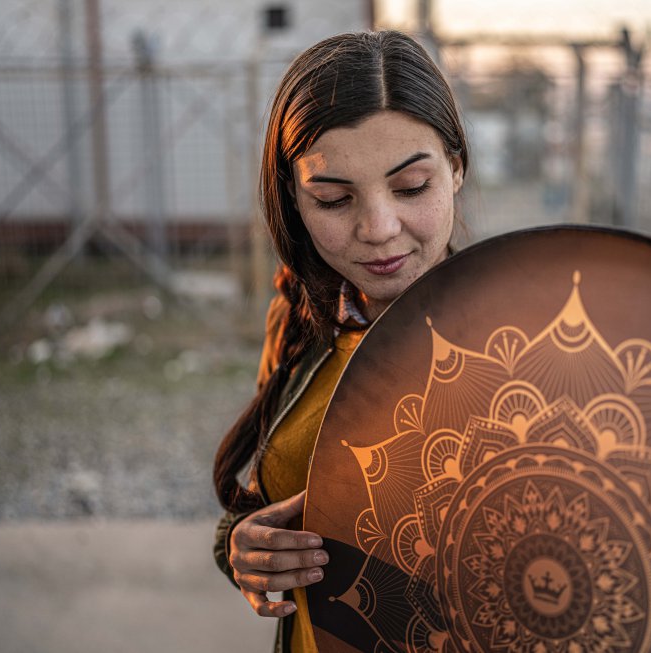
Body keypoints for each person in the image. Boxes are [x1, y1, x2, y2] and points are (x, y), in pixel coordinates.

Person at [212, 30, 469, 653]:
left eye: (411, 188)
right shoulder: (300, 322)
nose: (379, 229)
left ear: (455, 171)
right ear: (294, 201)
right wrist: (241, 547)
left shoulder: (513, 343)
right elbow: (264, 500)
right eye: (332, 199)